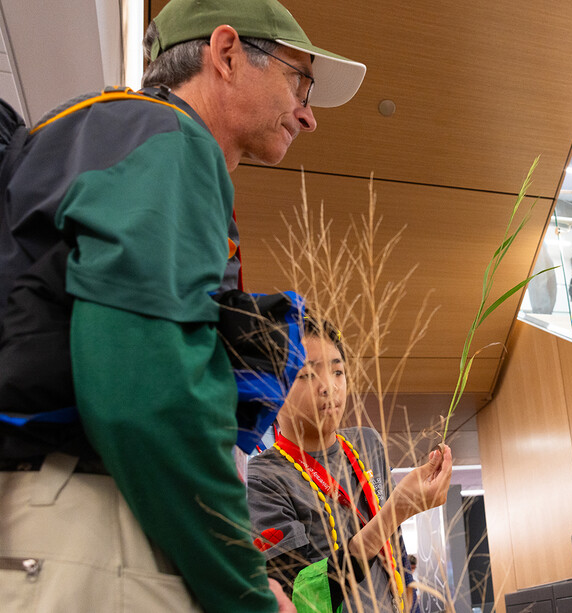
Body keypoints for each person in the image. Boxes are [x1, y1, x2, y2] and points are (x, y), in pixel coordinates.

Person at [0, 0, 366, 610]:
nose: (308, 115)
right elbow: (145, 390)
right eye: (299, 79)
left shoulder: (96, 136)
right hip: (92, 524)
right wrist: (240, 586)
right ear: (225, 54)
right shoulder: (170, 143)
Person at [247, 320, 453, 612]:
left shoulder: (367, 443)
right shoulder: (262, 479)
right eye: (306, 374)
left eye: (338, 371)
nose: (329, 386)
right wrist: (397, 510)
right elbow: (300, 597)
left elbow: (394, 548)